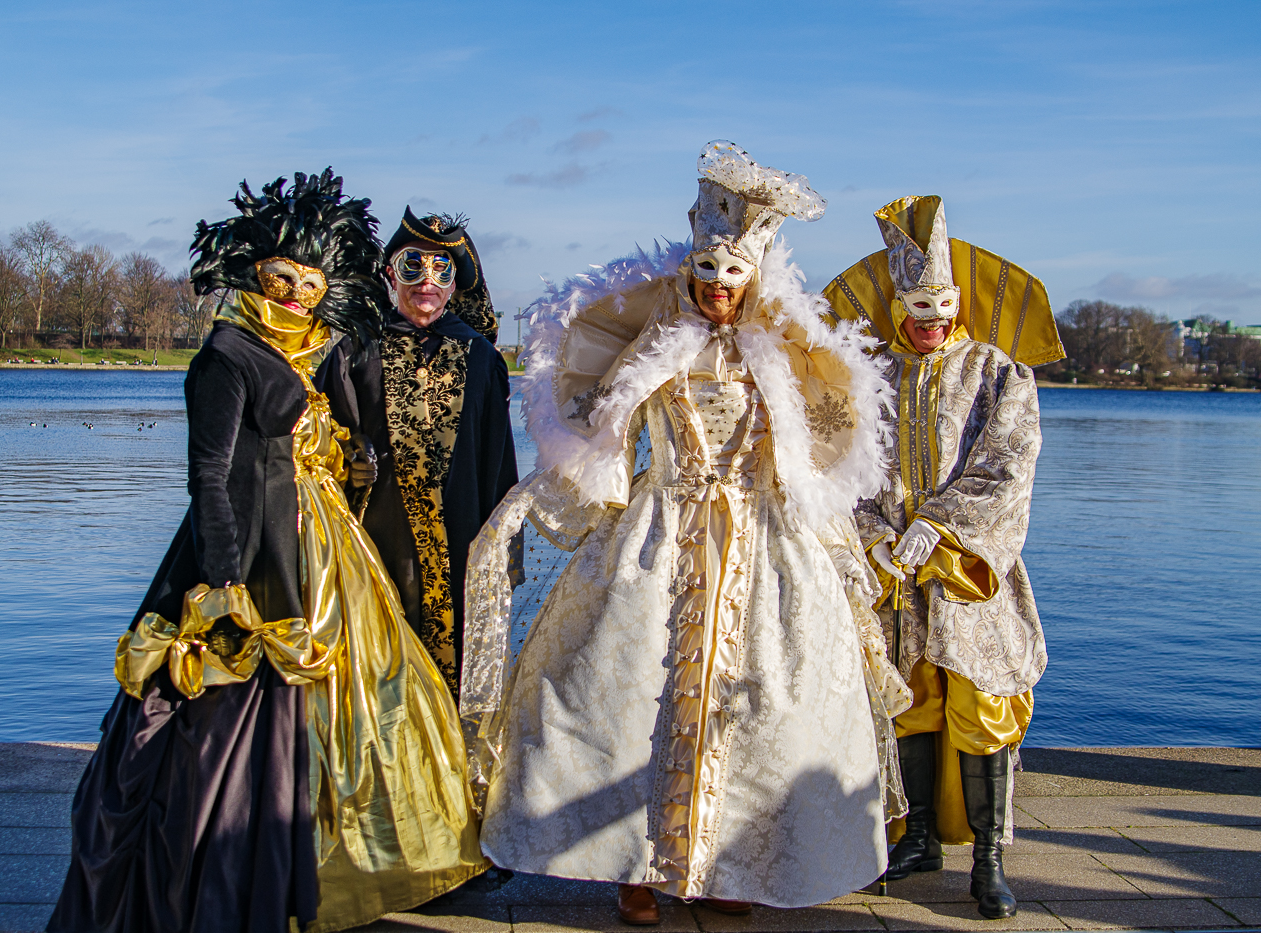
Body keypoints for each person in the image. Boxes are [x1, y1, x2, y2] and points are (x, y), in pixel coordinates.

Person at [461, 142, 910, 924]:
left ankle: (732, 864)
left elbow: (822, 447)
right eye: (705, 277)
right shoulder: (653, 347)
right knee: (624, 693)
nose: (717, 292)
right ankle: (638, 868)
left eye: (732, 278)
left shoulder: (785, 357)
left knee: (765, 700)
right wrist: (561, 485)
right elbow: (602, 421)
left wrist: (829, 522)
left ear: (755, 279)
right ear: (690, 274)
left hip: (764, 535)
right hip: (659, 524)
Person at [48, 169, 485, 933]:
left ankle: (369, 859)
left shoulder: (326, 351)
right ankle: (240, 874)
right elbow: (208, 479)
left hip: (332, 547)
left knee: (381, 696)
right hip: (256, 549)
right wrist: (222, 581)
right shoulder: (225, 353)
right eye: (281, 279)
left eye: (309, 283)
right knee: (238, 729)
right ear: (253, 271)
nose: (295, 295)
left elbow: (356, 439)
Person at [824, 195, 1057, 920]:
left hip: (966, 573)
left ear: (958, 302)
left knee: (981, 705)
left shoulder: (995, 371)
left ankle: (986, 859)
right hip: (895, 577)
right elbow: (841, 466)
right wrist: (872, 533)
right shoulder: (870, 378)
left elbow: (1007, 465)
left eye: (940, 302)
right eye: (916, 304)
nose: (929, 318)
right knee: (912, 702)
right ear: (898, 308)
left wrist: (941, 525)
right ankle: (918, 835)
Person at [316, 208, 518, 699]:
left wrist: (505, 549)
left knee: (457, 664)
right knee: (378, 661)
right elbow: (316, 437)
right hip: (379, 538)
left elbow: (499, 462)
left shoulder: (482, 360)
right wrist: (346, 455)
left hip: (463, 538)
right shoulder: (355, 353)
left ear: (454, 285)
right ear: (390, 274)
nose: (426, 283)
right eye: (412, 267)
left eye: (441, 270)